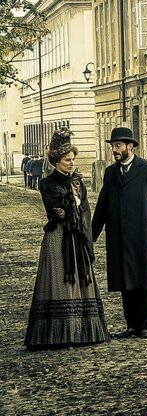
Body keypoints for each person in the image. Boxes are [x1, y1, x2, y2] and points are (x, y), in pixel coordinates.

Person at [25, 129, 111, 349]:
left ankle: (83, 331)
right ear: (56, 161)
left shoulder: (78, 182)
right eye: (67, 160)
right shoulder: (47, 183)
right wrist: (70, 201)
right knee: (60, 279)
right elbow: (58, 209)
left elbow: (83, 208)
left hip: (78, 236)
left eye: (73, 159)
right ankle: (59, 333)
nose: (72, 164)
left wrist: (81, 220)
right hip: (58, 237)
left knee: (83, 279)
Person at [92, 127, 147, 339]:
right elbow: (102, 206)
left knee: (144, 279)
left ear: (130, 146)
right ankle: (131, 325)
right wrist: (90, 237)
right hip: (118, 234)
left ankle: (145, 325)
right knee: (125, 279)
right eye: (112, 146)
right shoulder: (110, 173)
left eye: (118, 146)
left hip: (143, 234)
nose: (114, 150)